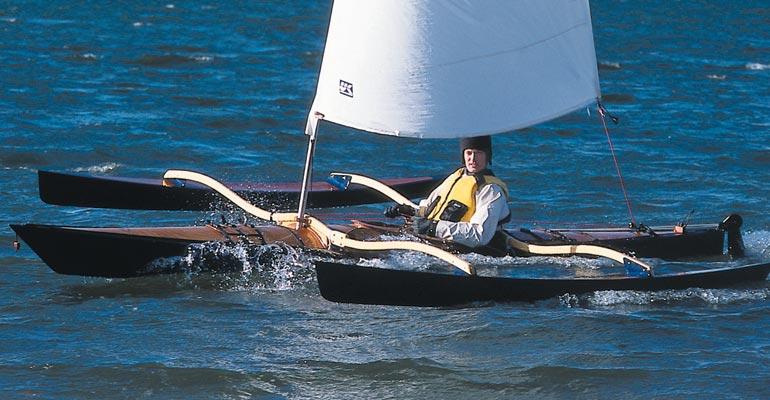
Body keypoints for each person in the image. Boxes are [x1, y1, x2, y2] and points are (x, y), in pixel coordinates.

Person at [384, 135, 510, 248]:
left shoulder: (491, 191)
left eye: (478, 153)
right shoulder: (457, 177)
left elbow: (479, 235)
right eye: (469, 153)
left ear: (488, 156)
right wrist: (410, 211)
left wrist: (434, 227)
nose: (473, 159)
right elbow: (430, 208)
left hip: (468, 249)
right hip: (436, 240)